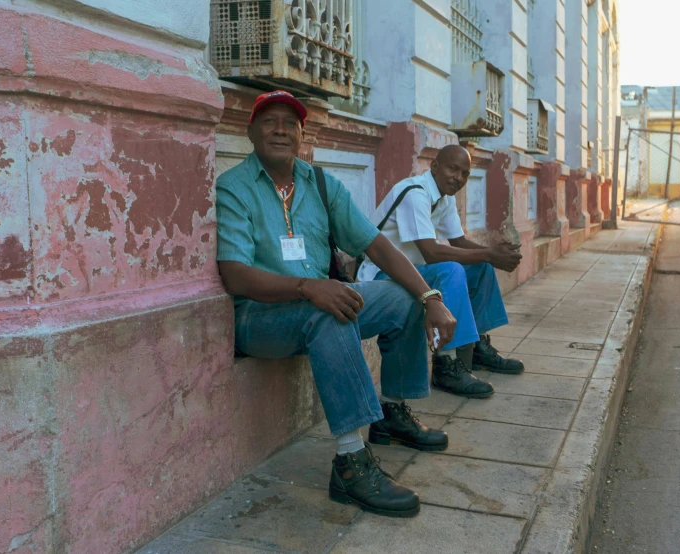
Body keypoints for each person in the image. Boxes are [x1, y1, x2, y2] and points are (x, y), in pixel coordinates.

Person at [215, 90, 457, 519]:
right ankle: (350, 463)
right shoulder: (233, 187)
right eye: (270, 121)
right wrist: (309, 287)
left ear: (302, 135)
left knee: (402, 297)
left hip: (314, 302)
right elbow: (235, 274)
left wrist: (430, 297)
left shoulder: (320, 184)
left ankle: (392, 414)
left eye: (290, 124)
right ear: (251, 132)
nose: (280, 130)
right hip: (259, 318)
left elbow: (378, 247)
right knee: (328, 311)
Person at [358, 145, 525, 399]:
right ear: (434, 167)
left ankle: (477, 347)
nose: (457, 178)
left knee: (479, 267)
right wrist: (489, 254)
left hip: (416, 271)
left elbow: (458, 242)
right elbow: (431, 253)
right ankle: (446, 365)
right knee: (451, 271)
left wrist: (492, 253)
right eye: (452, 169)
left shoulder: (444, 198)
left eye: (465, 174)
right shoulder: (415, 192)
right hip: (383, 275)